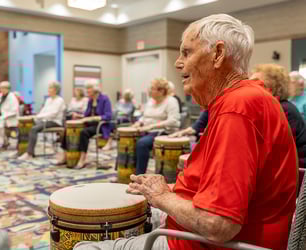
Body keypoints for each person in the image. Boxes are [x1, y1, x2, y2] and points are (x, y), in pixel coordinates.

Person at [74, 14, 297, 250]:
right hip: (200, 235)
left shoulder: (237, 108)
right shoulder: (246, 98)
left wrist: (161, 197)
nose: (178, 63)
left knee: (84, 247)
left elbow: (218, 224)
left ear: (218, 54)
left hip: (198, 244)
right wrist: (164, 190)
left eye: (187, 52)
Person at [251, 63, 306, 168]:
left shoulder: (283, 109)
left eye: (257, 84)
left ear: (272, 87)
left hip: (296, 169)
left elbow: (276, 150)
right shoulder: (278, 106)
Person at [55, 81, 112, 169]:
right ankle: (65, 155)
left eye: (89, 91)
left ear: (95, 90)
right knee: (68, 129)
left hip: (101, 125)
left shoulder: (105, 99)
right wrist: (79, 116)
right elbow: (86, 115)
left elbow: (108, 116)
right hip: (90, 123)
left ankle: (83, 158)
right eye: (87, 91)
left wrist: (93, 118)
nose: (87, 93)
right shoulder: (90, 100)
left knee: (84, 132)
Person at [132, 78, 180, 175]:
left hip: (164, 132)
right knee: (131, 140)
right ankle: (127, 170)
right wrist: (139, 122)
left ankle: (139, 175)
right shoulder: (151, 101)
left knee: (142, 143)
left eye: (152, 88)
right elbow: (145, 116)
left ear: (161, 91)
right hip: (148, 130)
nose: (150, 90)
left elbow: (173, 121)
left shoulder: (171, 101)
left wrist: (151, 127)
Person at [18, 81, 66, 160]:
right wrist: (36, 116)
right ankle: (21, 150)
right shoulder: (48, 100)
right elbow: (43, 111)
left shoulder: (59, 100)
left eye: (50, 88)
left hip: (55, 122)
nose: (48, 90)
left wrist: (38, 117)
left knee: (34, 129)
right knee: (25, 125)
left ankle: (29, 153)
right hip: (45, 120)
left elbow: (53, 114)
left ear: (55, 90)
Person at [0, 81, 19, 150]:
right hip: (3, 118)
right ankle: (4, 142)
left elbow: (14, 111)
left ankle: (5, 143)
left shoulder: (12, 97)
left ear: (7, 88)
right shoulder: (1, 96)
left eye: (2, 88)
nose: (0, 89)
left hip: (11, 118)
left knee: (1, 125)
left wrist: (4, 116)